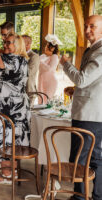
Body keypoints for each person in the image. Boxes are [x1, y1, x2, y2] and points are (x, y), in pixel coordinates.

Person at [0, 20, 30, 184]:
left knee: (7, 138)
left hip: (9, 107)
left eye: (10, 43)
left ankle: (8, 172)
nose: (6, 45)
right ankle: (7, 171)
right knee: (7, 137)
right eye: (5, 42)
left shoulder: (14, 60)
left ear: (19, 45)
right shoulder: (15, 58)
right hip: (8, 106)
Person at [60, 15, 102, 200]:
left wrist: (65, 63)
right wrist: (76, 90)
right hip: (95, 113)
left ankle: (79, 198)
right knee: (96, 158)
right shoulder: (92, 49)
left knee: (78, 160)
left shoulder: (100, 51)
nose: (87, 30)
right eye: (86, 26)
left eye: (92, 26)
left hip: (88, 115)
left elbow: (82, 79)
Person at [38, 34, 62, 104]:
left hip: (50, 82)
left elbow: (49, 69)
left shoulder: (54, 57)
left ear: (53, 48)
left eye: (48, 46)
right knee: (41, 99)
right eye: (46, 45)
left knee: (47, 101)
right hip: (41, 80)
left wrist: (40, 62)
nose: (45, 47)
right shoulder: (42, 56)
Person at [22, 35, 40, 106]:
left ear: (28, 44)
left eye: (21, 42)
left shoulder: (34, 56)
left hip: (28, 90)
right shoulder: (17, 55)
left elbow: (29, 73)